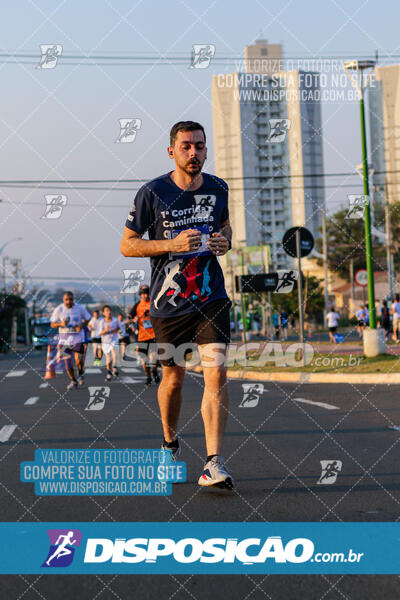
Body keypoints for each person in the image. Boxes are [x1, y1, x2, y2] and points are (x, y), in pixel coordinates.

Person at [120, 121, 234, 489]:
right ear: (172, 151)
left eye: (200, 146)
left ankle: (213, 463)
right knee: (173, 378)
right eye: (186, 146)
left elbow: (227, 226)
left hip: (210, 295)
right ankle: (169, 444)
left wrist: (223, 242)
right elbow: (128, 244)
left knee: (216, 371)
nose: (194, 153)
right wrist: (170, 245)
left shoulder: (218, 188)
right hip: (168, 303)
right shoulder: (152, 192)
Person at [50, 291, 90, 390]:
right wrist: (61, 324)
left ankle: (80, 372)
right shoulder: (59, 309)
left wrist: (81, 326)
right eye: (66, 300)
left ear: (73, 299)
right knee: (67, 363)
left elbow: (88, 318)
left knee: (79, 361)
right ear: (63, 300)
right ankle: (73, 380)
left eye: (70, 299)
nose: (68, 301)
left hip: (77, 339)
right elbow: (52, 324)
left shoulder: (79, 308)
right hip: (64, 341)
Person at [128, 285, 161, 386]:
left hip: (153, 335)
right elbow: (130, 317)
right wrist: (134, 320)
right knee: (144, 360)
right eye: (143, 294)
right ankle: (148, 377)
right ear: (140, 295)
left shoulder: (153, 303)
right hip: (142, 336)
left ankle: (154, 370)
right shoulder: (137, 305)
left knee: (153, 357)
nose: (145, 296)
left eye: (146, 293)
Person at [99, 305, 120, 381]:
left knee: (115, 354)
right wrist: (106, 330)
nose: (109, 312)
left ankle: (115, 368)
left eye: (110, 310)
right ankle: (109, 373)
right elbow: (100, 333)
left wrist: (115, 330)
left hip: (115, 341)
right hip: (105, 342)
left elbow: (118, 328)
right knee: (108, 358)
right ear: (104, 313)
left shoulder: (115, 320)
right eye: (107, 310)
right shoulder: (102, 322)